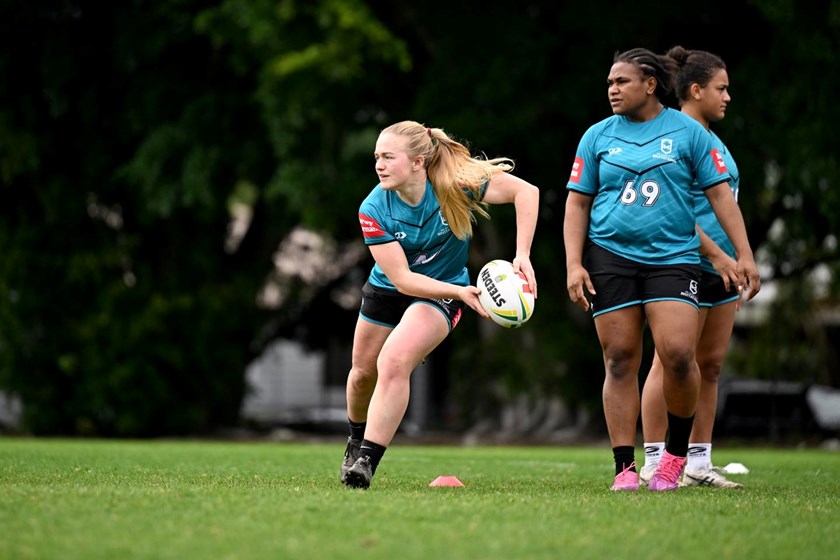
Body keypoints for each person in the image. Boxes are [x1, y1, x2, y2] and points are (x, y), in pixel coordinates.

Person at [563, 48, 760, 492]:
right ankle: (624, 469)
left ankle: (674, 456)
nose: (612, 89)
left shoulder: (689, 132)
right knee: (619, 360)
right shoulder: (596, 136)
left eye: (622, 82)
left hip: (673, 257)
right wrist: (574, 264)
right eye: (610, 82)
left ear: (650, 84)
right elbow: (577, 202)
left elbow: (720, 197)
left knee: (677, 355)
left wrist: (744, 254)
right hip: (610, 257)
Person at [341, 120, 539, 489]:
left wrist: (522, 254)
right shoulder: (373, 208)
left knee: (394, 360)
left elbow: (526, 192)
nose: (378, 165)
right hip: (389, 289)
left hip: (446, 291)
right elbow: (402, 279)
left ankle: (366, 461)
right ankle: (355, 437)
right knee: (362, 374)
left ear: (418, 162)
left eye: (388, 157)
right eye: (376, 157)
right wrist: (463, 292)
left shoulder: (457, 183)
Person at [639, 46, 746, 489]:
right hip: (686, 260)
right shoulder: (675, 135)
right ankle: (653, 460)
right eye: (720, 89)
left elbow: (723, 204)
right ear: (696, 89)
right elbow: (673, 210)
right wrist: (717, 254)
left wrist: (738, 258)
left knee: (711, 364)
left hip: (722, 268)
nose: (727, 97)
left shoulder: (711, 139)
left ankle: (698, 463)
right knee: (669, 362)